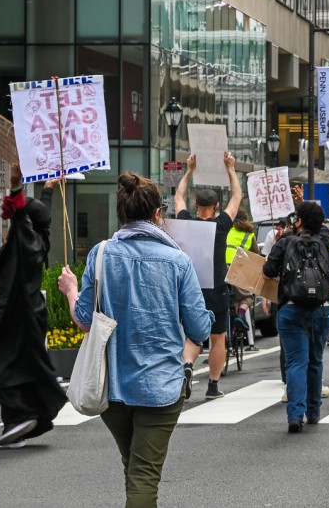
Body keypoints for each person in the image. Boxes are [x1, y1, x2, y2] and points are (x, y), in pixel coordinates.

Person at [59, 173, 212, 508]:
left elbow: (84, 319)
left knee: (135, 469)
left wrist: (70, 290)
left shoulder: (100, 254)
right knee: (143, 477)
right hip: (160, 388)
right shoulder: (178, 261)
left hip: (111, 386)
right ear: (158, 214)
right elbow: (200, 330)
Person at [0, 168, 66, 448]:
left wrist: (16, 185)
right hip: (28, 312)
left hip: (15, 311)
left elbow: (20, 215)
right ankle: (19, 421)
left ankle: (23, 415)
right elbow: (43, 213)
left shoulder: (23, 239)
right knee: (23, 366)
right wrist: (48, 188)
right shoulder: (40, 236)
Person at [262, 197, 329, 432]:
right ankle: (313, 412)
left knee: (296, 362)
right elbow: (322, 227)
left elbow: (268, 270)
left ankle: (295, 415)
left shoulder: (285, 242)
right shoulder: (325, 240)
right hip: (322, 310)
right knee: (316, 361)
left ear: (299, 221)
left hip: (292, 309)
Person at [175, 152, 243, 400]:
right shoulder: (221, 225)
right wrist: (230, 168)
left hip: (191, 289)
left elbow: (178, 196)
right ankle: (213, 385)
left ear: (196, 206)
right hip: (216, 288)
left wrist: (189, 170)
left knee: (193, 335)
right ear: (216, 207)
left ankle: (188, 365)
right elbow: (237, 196)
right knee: (218, 338)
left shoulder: (185, 222)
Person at [225, 210, 261, 352]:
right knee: (247, 296)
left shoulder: (227, 230)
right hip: (237, 267)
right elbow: (256, 254)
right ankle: (240, 315)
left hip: (222, 267)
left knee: (231, 299)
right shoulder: (249, 234)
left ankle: (229, 337)